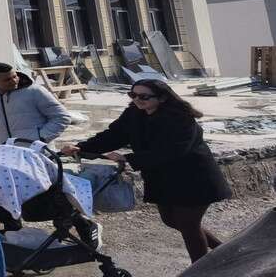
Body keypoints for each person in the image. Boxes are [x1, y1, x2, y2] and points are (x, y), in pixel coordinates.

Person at [61, 79, 232, 263]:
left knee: (188, 224)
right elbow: (113, 135)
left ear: (162, 98)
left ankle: (200, 269)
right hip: (163, 177)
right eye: (133, 95)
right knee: (171, 220)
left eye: (144, 96)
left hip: (194, 177)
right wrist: (81, 147)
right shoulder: (133, 113)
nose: (137, 100)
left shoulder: (180, 118)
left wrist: (129, 158)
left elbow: (174, 150)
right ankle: (227, 252)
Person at [0, 61, 72, 162]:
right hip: (3, 154)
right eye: (7, 80)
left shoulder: (34, 91)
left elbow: (62, 117)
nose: (14, 81)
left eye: (15, 76)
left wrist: (40, 138)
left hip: (36, 153)